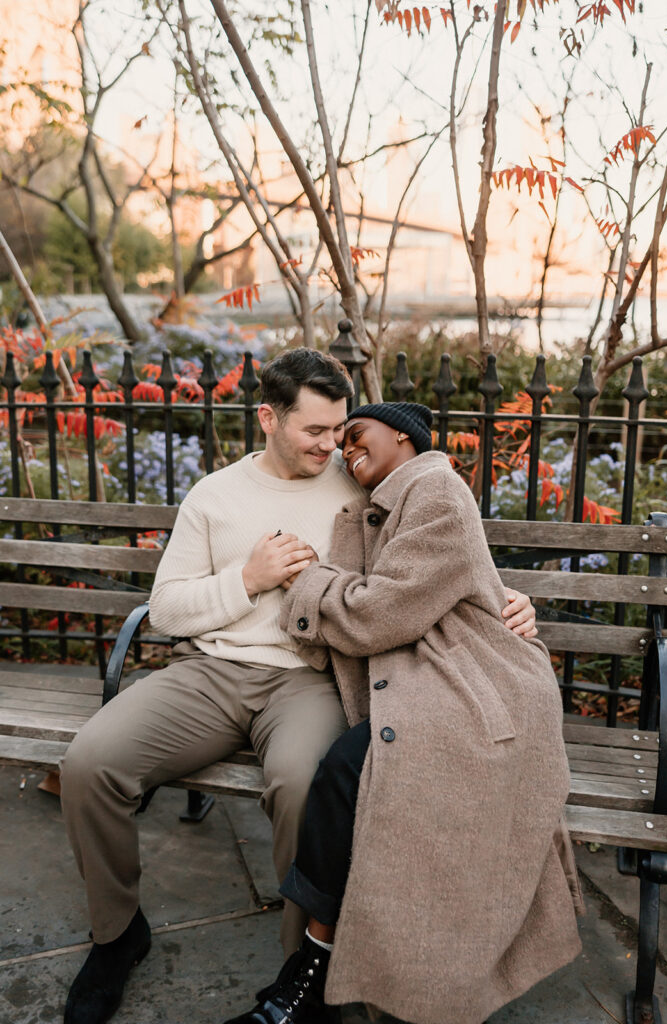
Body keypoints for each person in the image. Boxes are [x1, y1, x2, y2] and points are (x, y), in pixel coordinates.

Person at [58, 352, 537, 1024]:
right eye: (314, 430)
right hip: (208, 674)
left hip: (311, 681)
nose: (331, 445)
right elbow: (163, 611)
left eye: (339, 429)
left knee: (301, 783)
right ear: (267, 417)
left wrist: (506, 599)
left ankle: (302, 979)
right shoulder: (214, 494)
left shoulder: (362, 486)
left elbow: (432, 563)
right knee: (89, 761)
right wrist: (247, 579)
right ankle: (115, 935)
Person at [224, 402, 583, 1024]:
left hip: (481, 686)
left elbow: (377, 613)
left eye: (356, 434)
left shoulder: (436, 489)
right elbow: (381, 601)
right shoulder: (387, 504)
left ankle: (312, 970)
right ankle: (316, 971)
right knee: (350, 775)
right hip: (439, 676)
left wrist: (305, 586)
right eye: (339, 441)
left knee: (346, 769)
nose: (345, 448)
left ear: (403, 435)